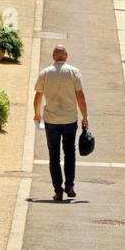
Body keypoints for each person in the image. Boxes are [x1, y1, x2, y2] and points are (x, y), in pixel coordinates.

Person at [33, 44, 89, 201]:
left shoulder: (45, 73)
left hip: (51, 119)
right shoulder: (74, 72)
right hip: (69, 119)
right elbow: (80, 96)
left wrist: (37, 114)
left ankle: (58, 190)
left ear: (53, 57)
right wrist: (85, 117)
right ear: (66, 56)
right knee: (70, 152)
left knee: (54, 155)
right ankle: (69, 185)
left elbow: (38, 97)